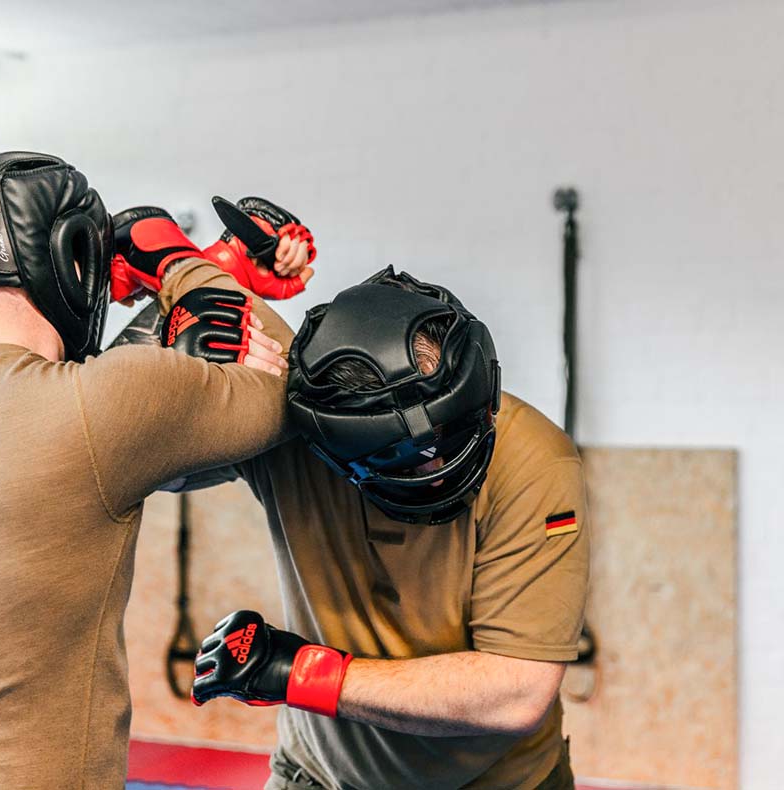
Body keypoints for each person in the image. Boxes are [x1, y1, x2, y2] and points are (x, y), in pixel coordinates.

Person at [0, 151, 312, 788]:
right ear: (65, 258)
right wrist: (175, 256)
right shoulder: (100, 412)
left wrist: (218, 278)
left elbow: (122, 419)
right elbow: (278, 388)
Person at [135, 265, 590, 789]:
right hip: (315, 775)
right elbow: (129, 455)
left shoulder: (534, 462)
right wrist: (172, 376)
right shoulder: (292, 420)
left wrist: (300, 672)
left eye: (453, 429)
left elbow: (517, 690)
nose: (441, 461)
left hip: (501, 783)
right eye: (410, 453)